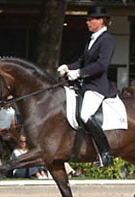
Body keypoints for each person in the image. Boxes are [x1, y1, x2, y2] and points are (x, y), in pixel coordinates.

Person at [57, 6, 117, 167]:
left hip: (97, 86)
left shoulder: (107, 40)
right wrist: (68, 67)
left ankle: (106, 154)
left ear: (100, 21)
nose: (88, 22)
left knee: (85, 114)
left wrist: (79, 73)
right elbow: (82, 61)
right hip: (85, 85)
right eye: (88, 20)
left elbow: (101, 65)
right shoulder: (91, 39)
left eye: (90, 20)